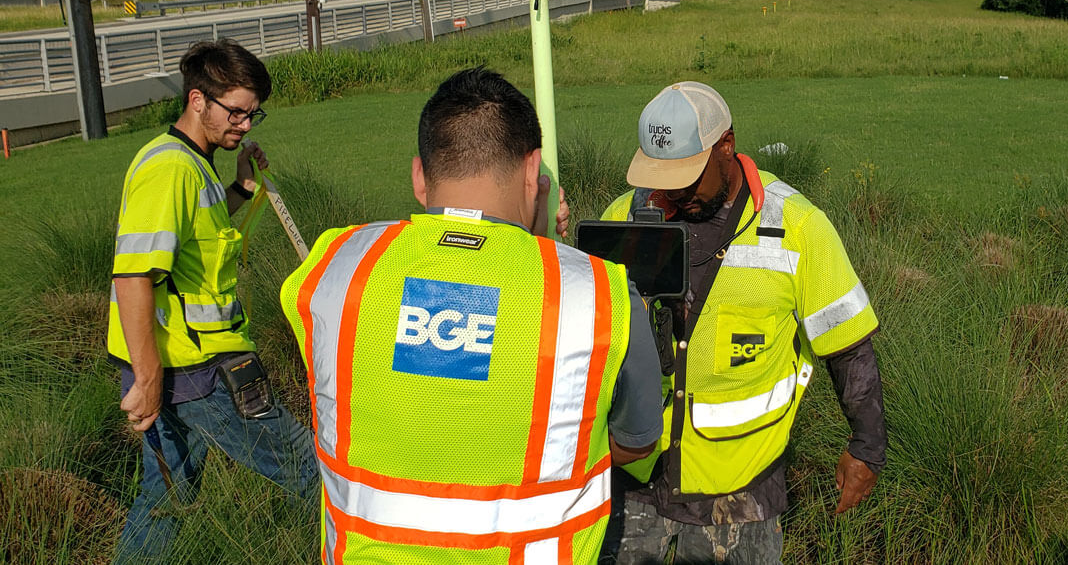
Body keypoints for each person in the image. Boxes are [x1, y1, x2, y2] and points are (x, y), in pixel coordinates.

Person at [280, 66, 662, 564]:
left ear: (420, 176)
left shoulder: (336, 268)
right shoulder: (600, 294)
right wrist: (544, 251)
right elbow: (635, 441)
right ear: (533, 172)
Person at [601, 82, 887, 563]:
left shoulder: (796, 226)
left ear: (726, 147)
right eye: (662, 176)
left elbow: (849, 348)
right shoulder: (626, 216)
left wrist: (867, 447)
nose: (673, 191)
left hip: (742, 493)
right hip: (636, 479)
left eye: (688, 176)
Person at [110, 39, 317, 562]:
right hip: (195, 370)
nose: (246, 125)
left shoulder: (194, 165)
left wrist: (241, 189)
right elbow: (134, 276)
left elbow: (191, 245)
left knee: (166, 502)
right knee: (309, 471)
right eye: (237, 112)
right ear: (198, 100)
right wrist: (149, 379)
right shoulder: (170, 169)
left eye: (253, 115)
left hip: (189, 362)